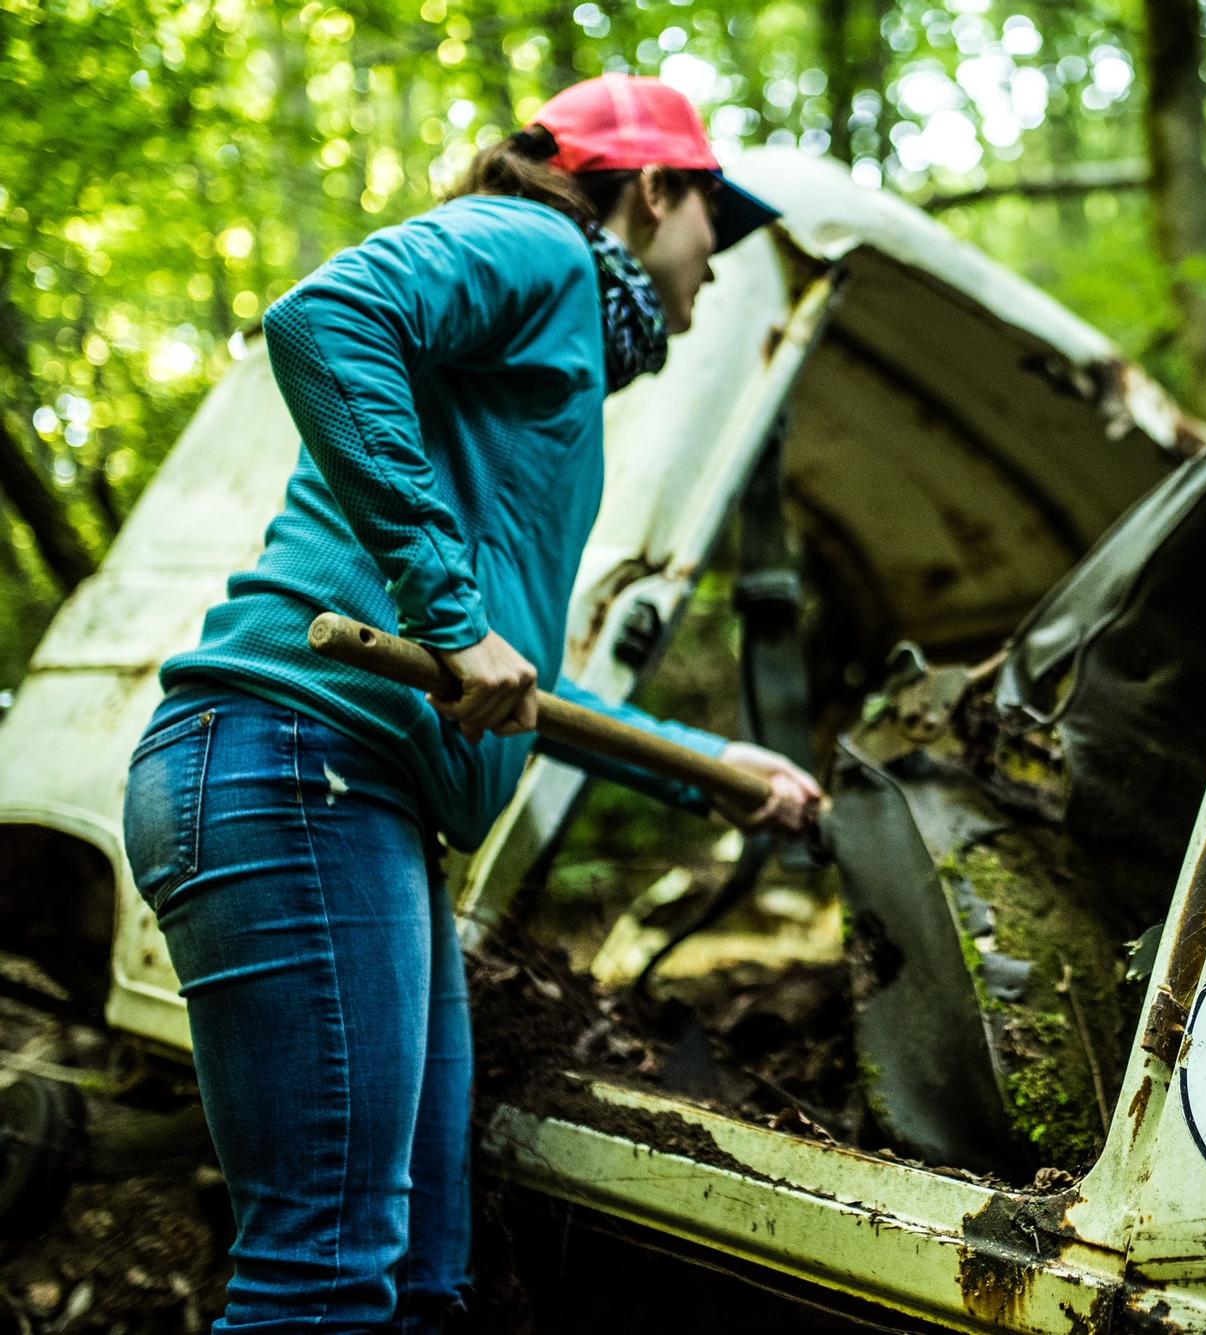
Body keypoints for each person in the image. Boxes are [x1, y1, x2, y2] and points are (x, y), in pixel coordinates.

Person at [121, 75, 821, 1332]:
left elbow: (518, 691)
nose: (717, 268)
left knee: (426, 1284)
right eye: (714, 219)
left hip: (357, 803)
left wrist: (714, 765)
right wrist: (448, 613)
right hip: (297, 765)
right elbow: (325, 318)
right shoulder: (538, 241)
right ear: (650, 189)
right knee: (325, 1276)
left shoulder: (545, 362)